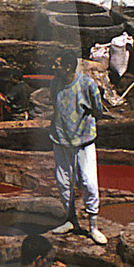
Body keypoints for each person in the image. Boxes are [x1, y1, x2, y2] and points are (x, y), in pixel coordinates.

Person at [50, 47, 108, 246]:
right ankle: (70, 219)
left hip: (84, 141)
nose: (53, 68)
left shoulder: (87, 85)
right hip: (61, 140)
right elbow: (55, 105)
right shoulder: (55, 84)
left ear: (68, 67)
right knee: (64, 183)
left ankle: (93, 226)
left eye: (57, 65)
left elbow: (98, 110)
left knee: (89, 183)